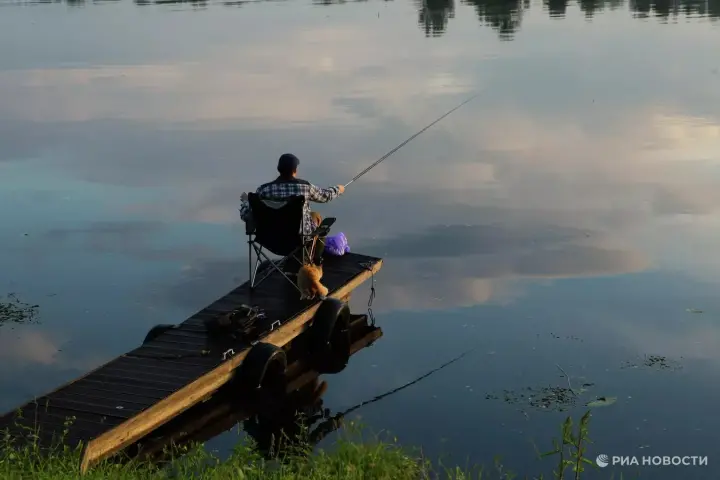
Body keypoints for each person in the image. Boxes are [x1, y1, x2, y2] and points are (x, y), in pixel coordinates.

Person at [239, 153, 345, 261]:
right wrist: (338, 189)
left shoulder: (263, 190)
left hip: (269, 239)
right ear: (295, 170)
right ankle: (312, 261)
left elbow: (247, 214)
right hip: (297, 240)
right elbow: (325, 196)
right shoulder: (304, 187)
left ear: (278, 169)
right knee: (316, 217)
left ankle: (298, 259)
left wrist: (246, 202)